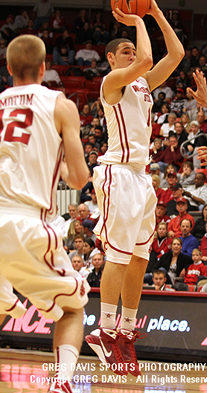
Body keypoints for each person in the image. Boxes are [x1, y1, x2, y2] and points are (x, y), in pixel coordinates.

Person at [85, 1, 184, 376]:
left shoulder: (143, 84)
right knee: (119, 254)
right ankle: (104, 329)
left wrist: (156, 13)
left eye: (132, 46)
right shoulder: (112, 82)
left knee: (140, 257)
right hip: (118, 173)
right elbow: (144, 58)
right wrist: (138, 21)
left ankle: (125, 330)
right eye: (122, 50)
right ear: (111, 59)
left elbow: (175, 54)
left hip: (142, 177)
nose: (133, 52)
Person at [0, 35, 90, 393]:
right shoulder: (60, 104)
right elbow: (80, 177)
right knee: (73, 307)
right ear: (44, 67)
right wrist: (62, 168)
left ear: (8, 70)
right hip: (27, 221)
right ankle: (62, 385)